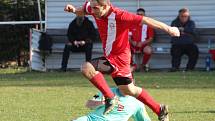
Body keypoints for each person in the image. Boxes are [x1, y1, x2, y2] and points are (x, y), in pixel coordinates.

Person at [64, 0, 180, 121]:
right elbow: (83, 10)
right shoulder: (93, 6)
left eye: (96, 9)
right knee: (129, 90)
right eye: (92, 8)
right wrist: (74, 10)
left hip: (120, 59)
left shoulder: (121, 16)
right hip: (112, 58)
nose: (92, 11)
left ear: (106, 6)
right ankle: (159, 109)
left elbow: (145, 20)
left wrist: (169, 29)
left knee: (87, 67)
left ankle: (110, 97)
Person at [73, 88, 151, 121]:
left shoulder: (137, 103)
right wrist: (102, 103)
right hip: (90, 119)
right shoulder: (106, 91)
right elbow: (88, 104)